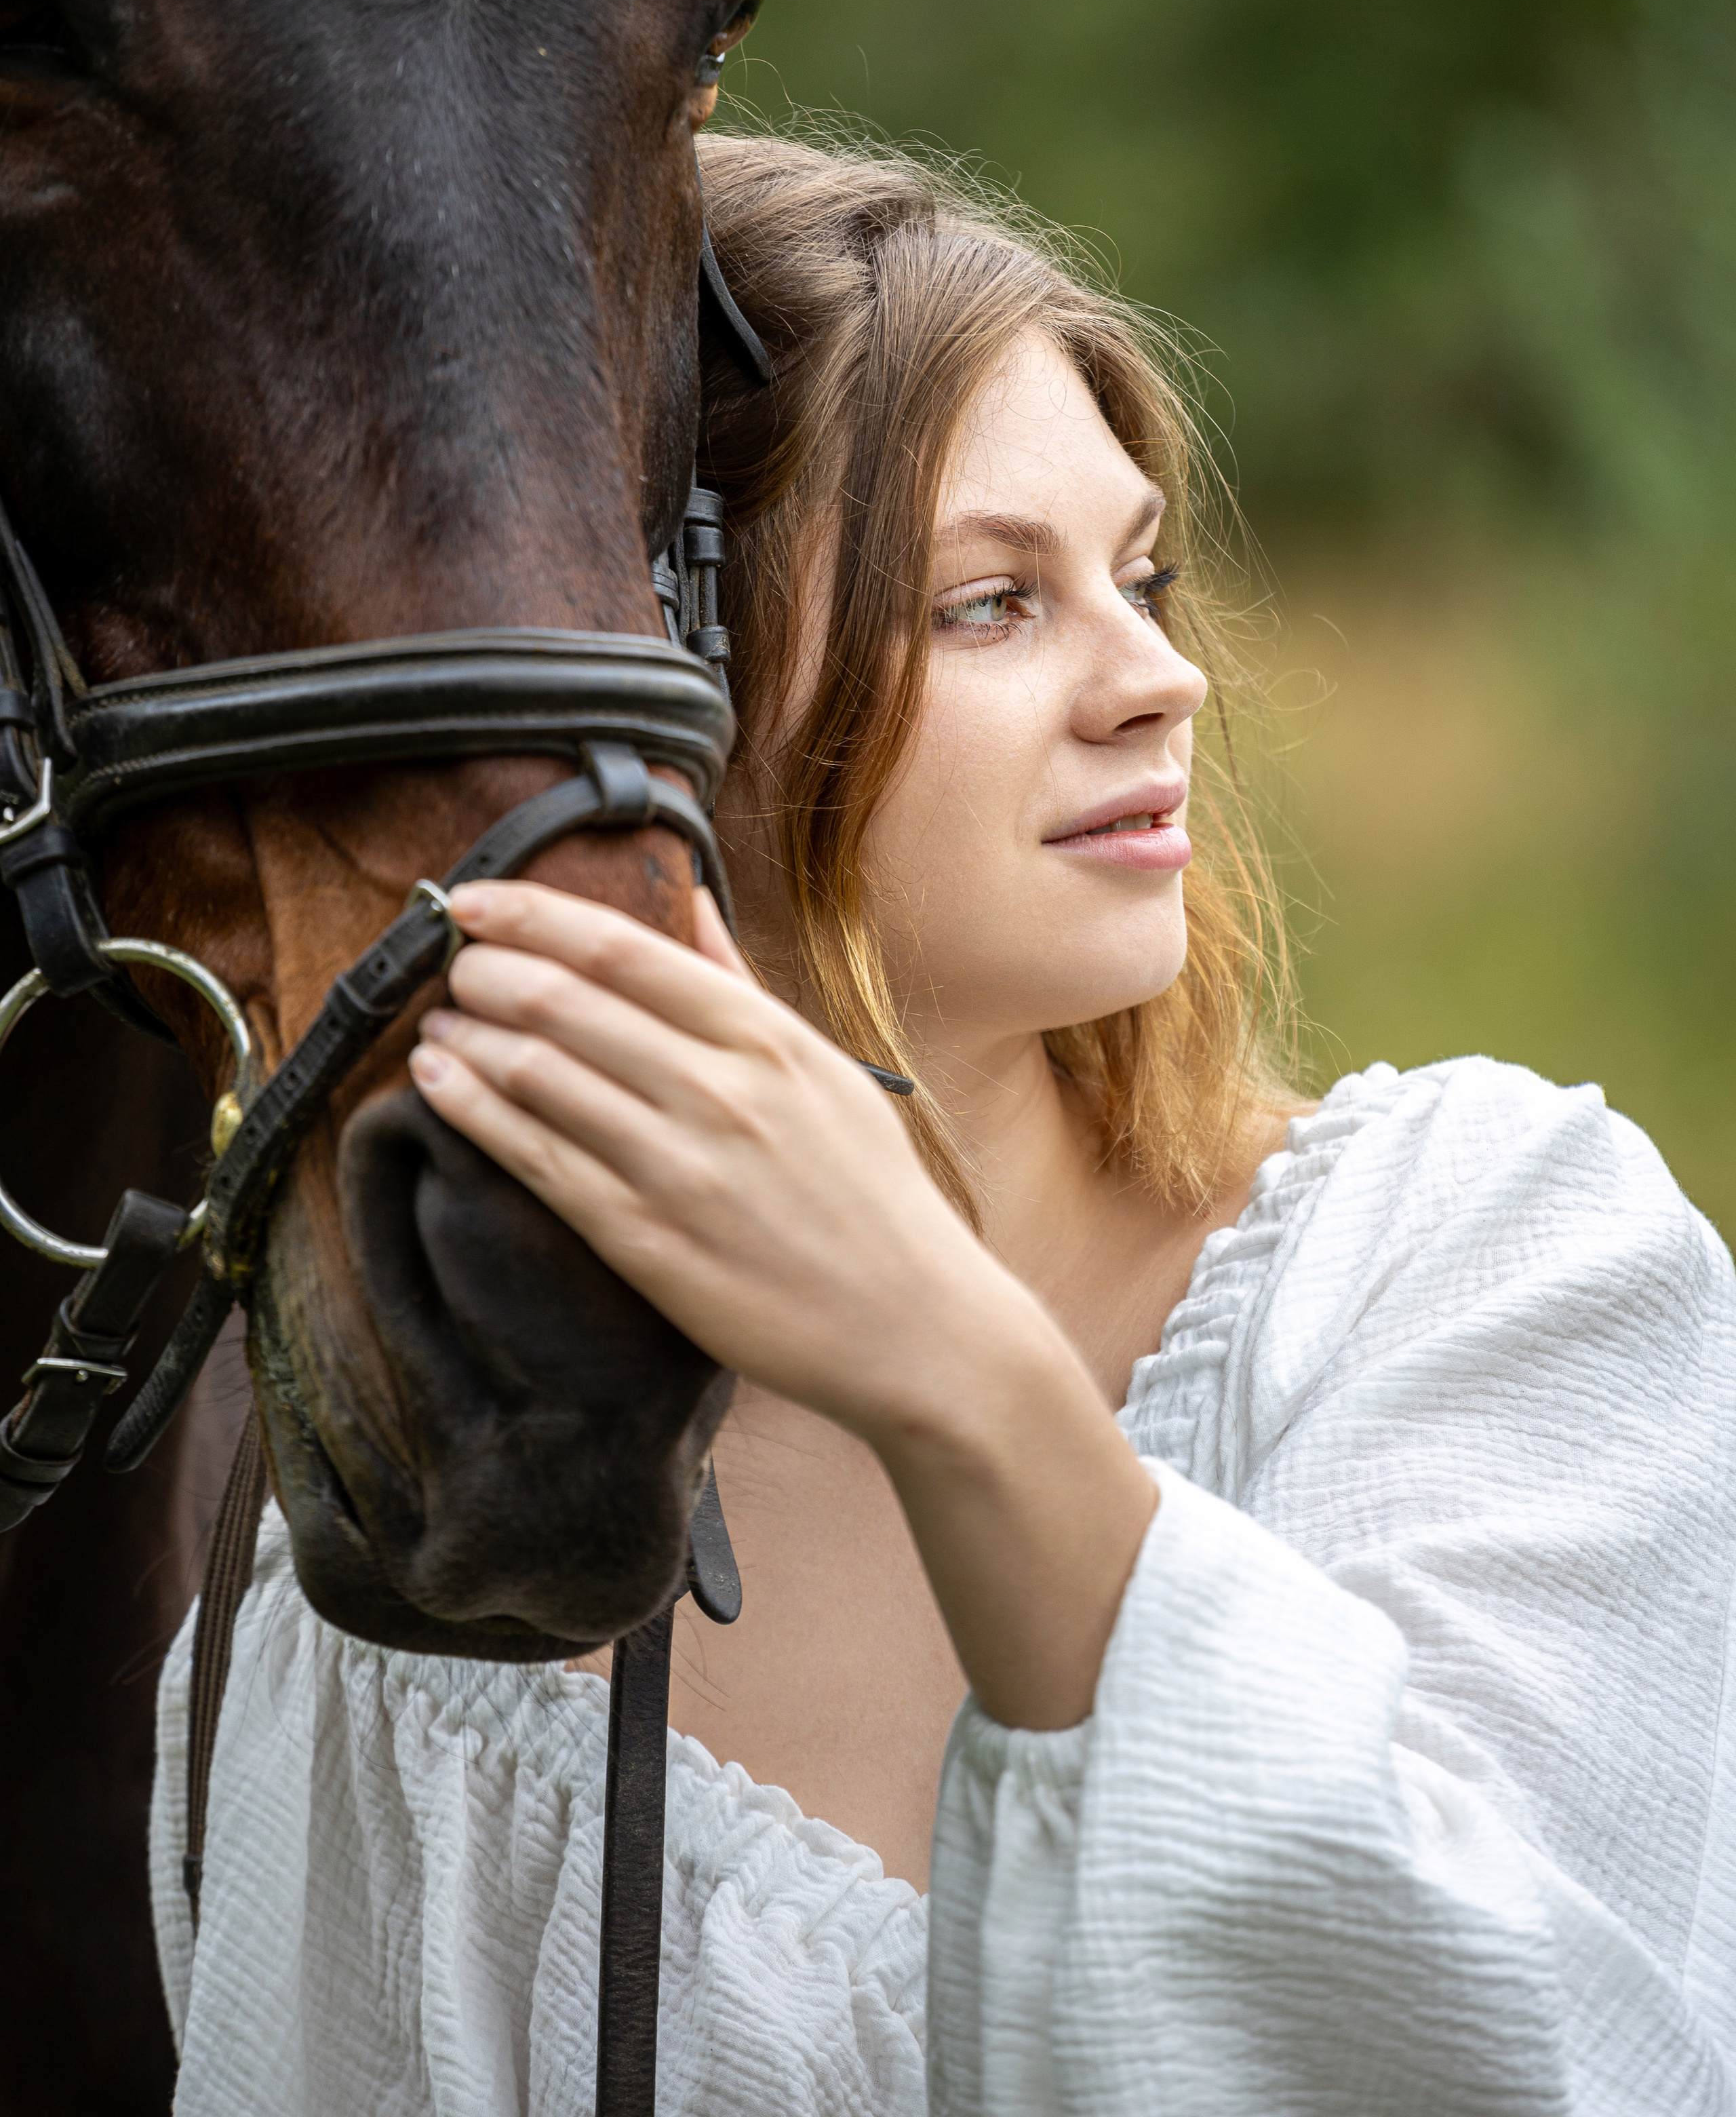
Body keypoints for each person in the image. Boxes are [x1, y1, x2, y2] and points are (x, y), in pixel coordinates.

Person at [154, 133, 1736, 2115]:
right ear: (652, 695)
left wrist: (945, 1363)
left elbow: (1527, 2053)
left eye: (1141, 577)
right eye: (995, 604)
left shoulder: (1492, 1278)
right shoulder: (421, 1577)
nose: (1157, 681)